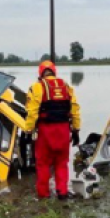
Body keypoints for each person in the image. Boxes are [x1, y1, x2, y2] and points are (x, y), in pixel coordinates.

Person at [24, 60, 82, 200]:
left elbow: (32, 113)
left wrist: (28, 131)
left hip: (45, 131)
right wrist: (76, 130)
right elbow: (74, 109)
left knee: (43, 164)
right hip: (63, 130)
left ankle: (43, 195)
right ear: (54, 72)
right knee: (62, 163)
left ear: (41, 73)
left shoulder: (37, 87)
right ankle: (62, 192)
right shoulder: (66, 86)